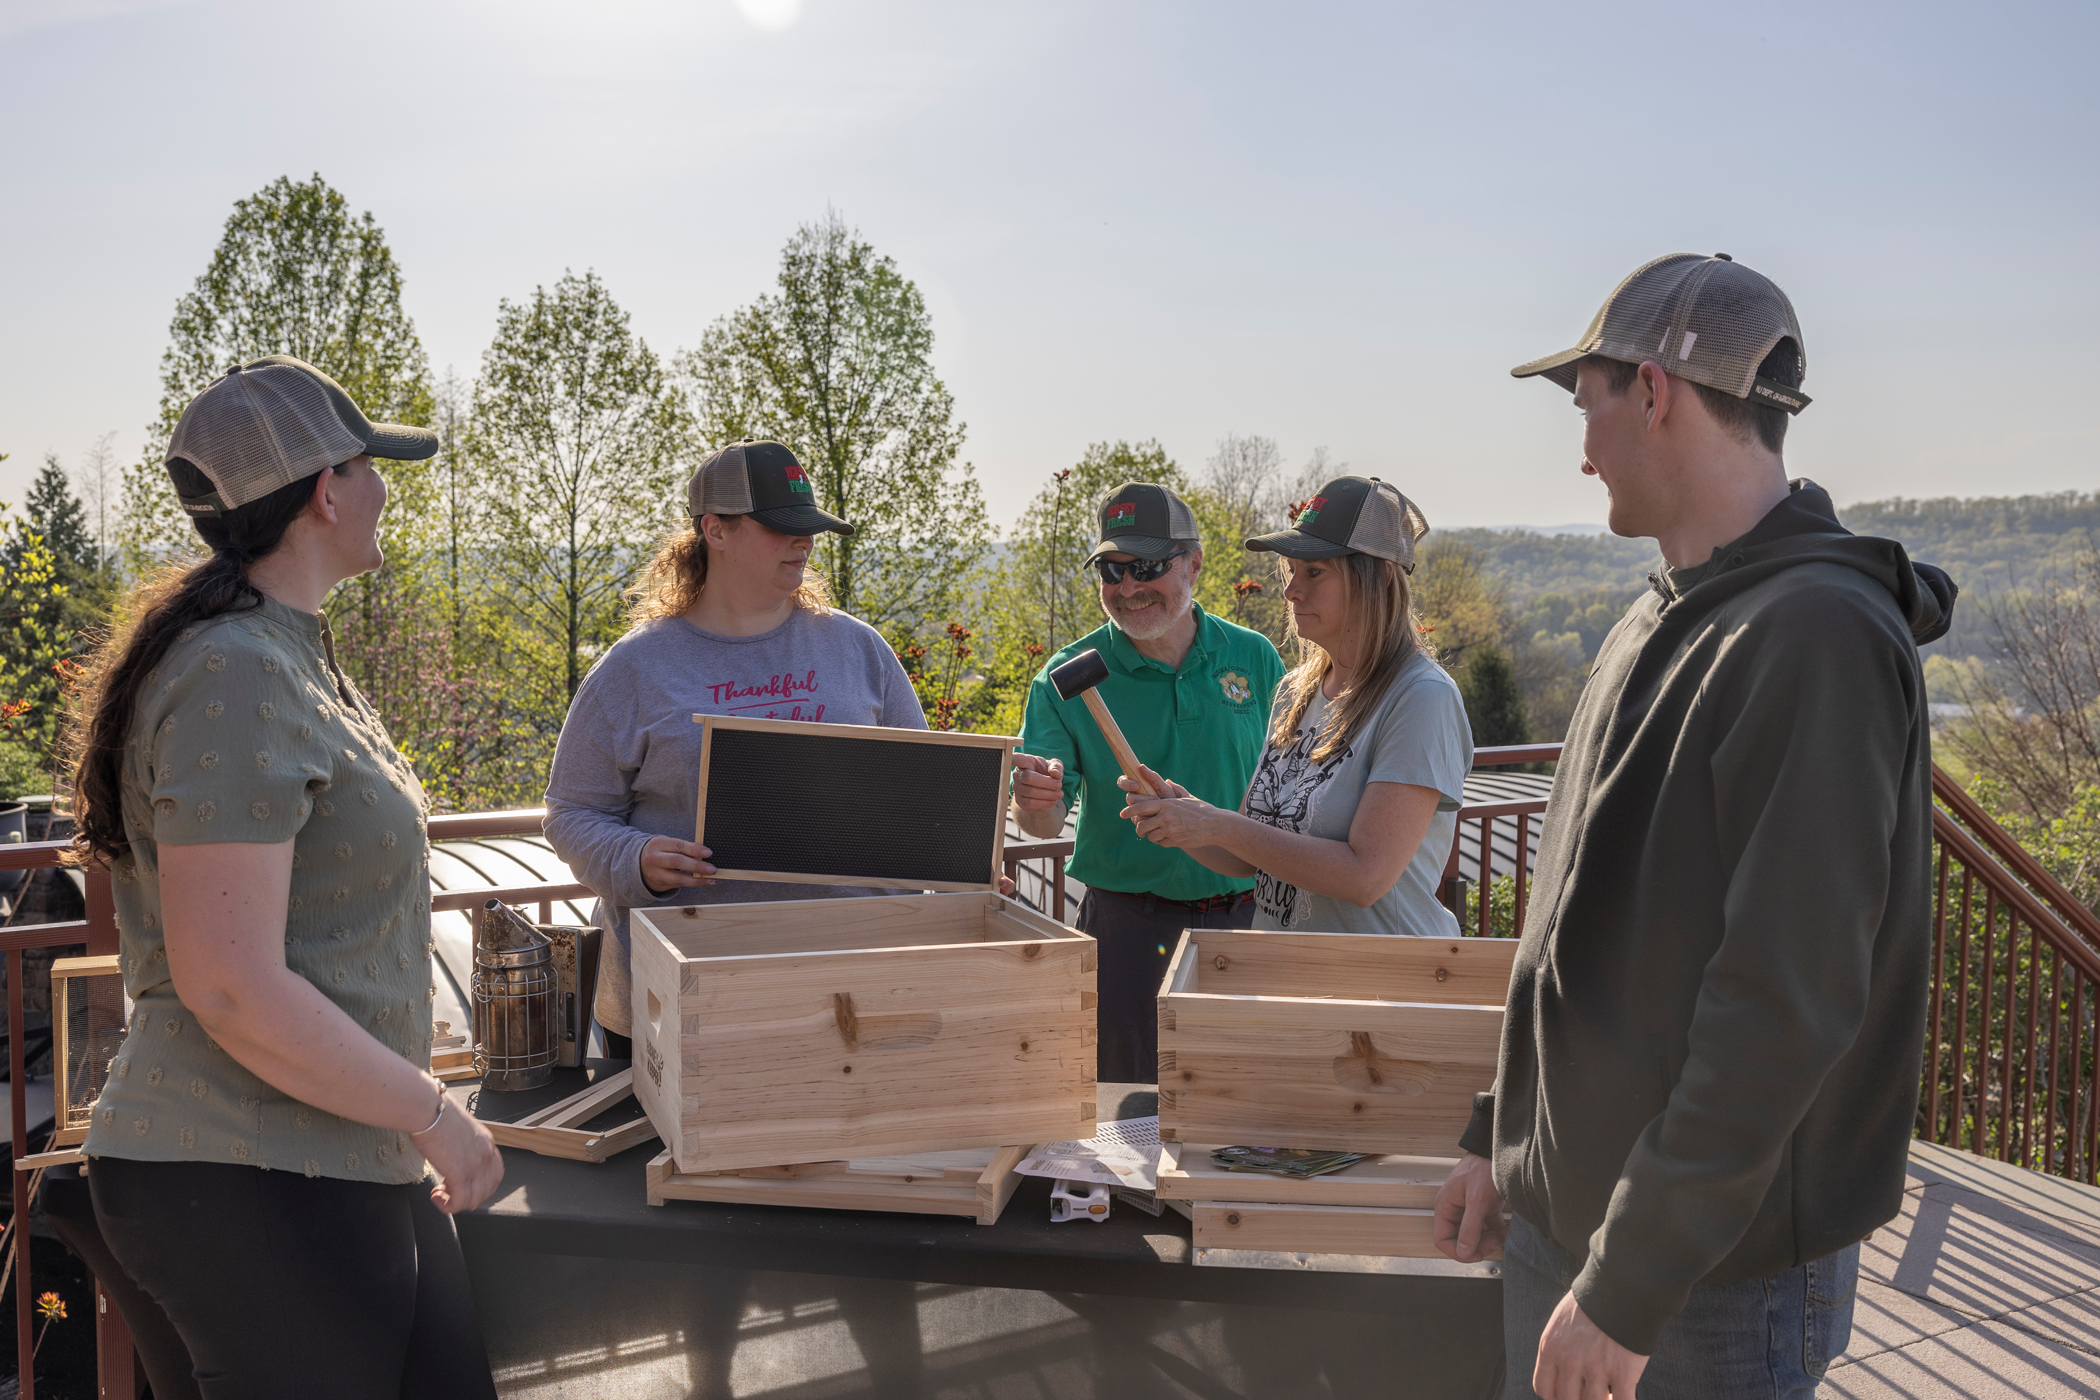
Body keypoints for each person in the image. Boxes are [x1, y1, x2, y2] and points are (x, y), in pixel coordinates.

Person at [1432, 254, 1958, 1399]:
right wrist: (1500, 1134)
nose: (1582, 449)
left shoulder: (1816, 639)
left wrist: (1631, 1282)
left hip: (1707, 1280)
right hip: (1576, 1228)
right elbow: (1568, 927)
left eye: (1590, 405)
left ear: (1657, 392)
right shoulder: (1656, 616)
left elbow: (1783, 1003)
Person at [66, 355, 503, 1399]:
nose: (386, 487)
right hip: (245, 1177)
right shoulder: (237, 670)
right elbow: (229, 983)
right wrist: (431, 1112)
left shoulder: (284, 650)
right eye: (371, 465)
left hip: (326, 1162)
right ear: (326, 488)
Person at [544, 439, 926, 1057]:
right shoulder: (636, 667)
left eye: (811, 527)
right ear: (714, 531)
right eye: (782, 527)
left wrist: (970, 840)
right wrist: (636, 859)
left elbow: (917, 795)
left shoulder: (859, 650)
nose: (804, 541)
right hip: (680, 998)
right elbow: (572, 814)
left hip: (848, 992)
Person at [1010, 482, 1284, 1084]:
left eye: (1148, 568)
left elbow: (1293, 786)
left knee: (1246, 1107)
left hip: (1251, 921)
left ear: (1194, 563)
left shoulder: (1256, 659)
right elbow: (1043, 823)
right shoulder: (1063, 678)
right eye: (1111, 570)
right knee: (1127, 1125)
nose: (1129, 588)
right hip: (1128, 934)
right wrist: (1036, 800)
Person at [1116, 476, 1472, 938]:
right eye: (1290, 572)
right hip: (1289, 978)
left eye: (1315, 573)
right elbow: (1248, 855)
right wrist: (1186, 818)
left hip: (1383, 987)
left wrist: (1216, 822)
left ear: (1381, 577)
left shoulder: (1421, 698)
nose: (1290, 592)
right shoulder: (1295, 690)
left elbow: (1365, 876)